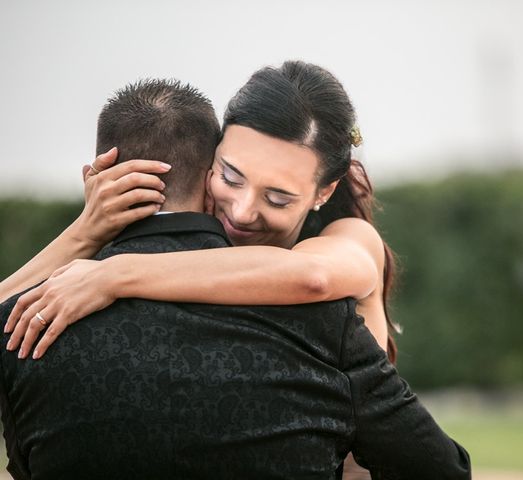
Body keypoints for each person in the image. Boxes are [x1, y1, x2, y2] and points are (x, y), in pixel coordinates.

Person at [0, 78, 471, 479]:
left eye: (279, 198)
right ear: (210, 162)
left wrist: (113, 273)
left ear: (324, 191)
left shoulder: (345, 241)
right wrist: (84, 231)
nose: (243, 211)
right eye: (230, 176)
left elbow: (311, 276)